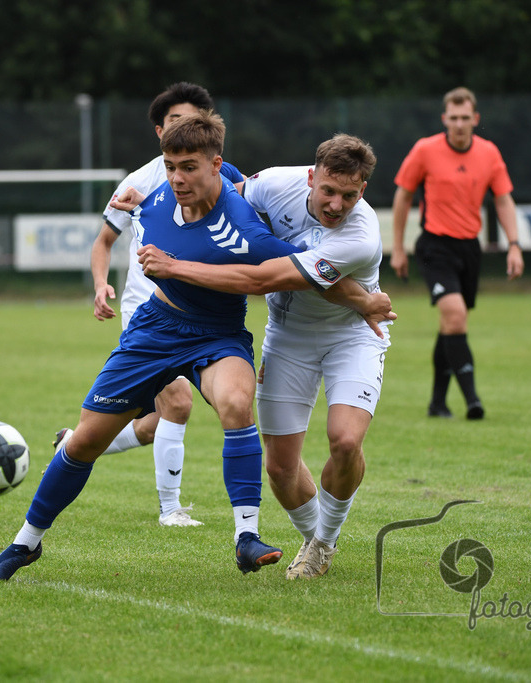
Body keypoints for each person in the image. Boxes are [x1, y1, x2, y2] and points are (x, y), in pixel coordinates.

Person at [0, 110, 306, 581]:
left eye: (188, 167)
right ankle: (25, 544)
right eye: (170, 166)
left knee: (236, 403)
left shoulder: (245, 225)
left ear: (216, 165)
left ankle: (246, 537)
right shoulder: (153, 199)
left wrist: (363, 298)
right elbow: (124, 224)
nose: (177, 178)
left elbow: (305, 270)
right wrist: (136, 208)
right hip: (154, 331)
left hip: (218, 333)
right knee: (84, 441)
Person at [139, 134, 391, 580]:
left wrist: (175, 266)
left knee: (345, 441)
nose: (336, 205)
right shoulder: (275, 183)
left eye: (349, 195)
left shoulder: (361, 238)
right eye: (328, 191)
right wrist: (150, 201)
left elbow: (261, 280)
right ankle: (316, 540)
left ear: (363, 191)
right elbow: (223, 191)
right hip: (289, 334)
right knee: (279, 466)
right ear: (311, 177)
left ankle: (323, 543)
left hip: (351, 336)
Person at [63, 82, 243, 528]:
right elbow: (103, 242)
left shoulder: (219, 175)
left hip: (200, 312)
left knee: (152, 422)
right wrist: (100, 285)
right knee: (178, 403)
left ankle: (76, 443)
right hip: (148, 310)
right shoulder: (139, 181)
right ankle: (170, 510)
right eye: (177, 120)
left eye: (194, 119)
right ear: (160, 130)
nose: (186, 127)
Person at [390, 86, 524, 420]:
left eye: (465, 117)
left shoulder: (489, 153)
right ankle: (473, 401)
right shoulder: (425, 150)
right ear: (444, 119)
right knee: (455, 315)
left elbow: (503, 199)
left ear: (475, 119)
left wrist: (514, 244)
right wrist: (398, 248)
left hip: (469, 248)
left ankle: (437, 403)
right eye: (454, 118)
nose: (460, 124)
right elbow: (403, 196)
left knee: (451, 323)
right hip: (434, 245)